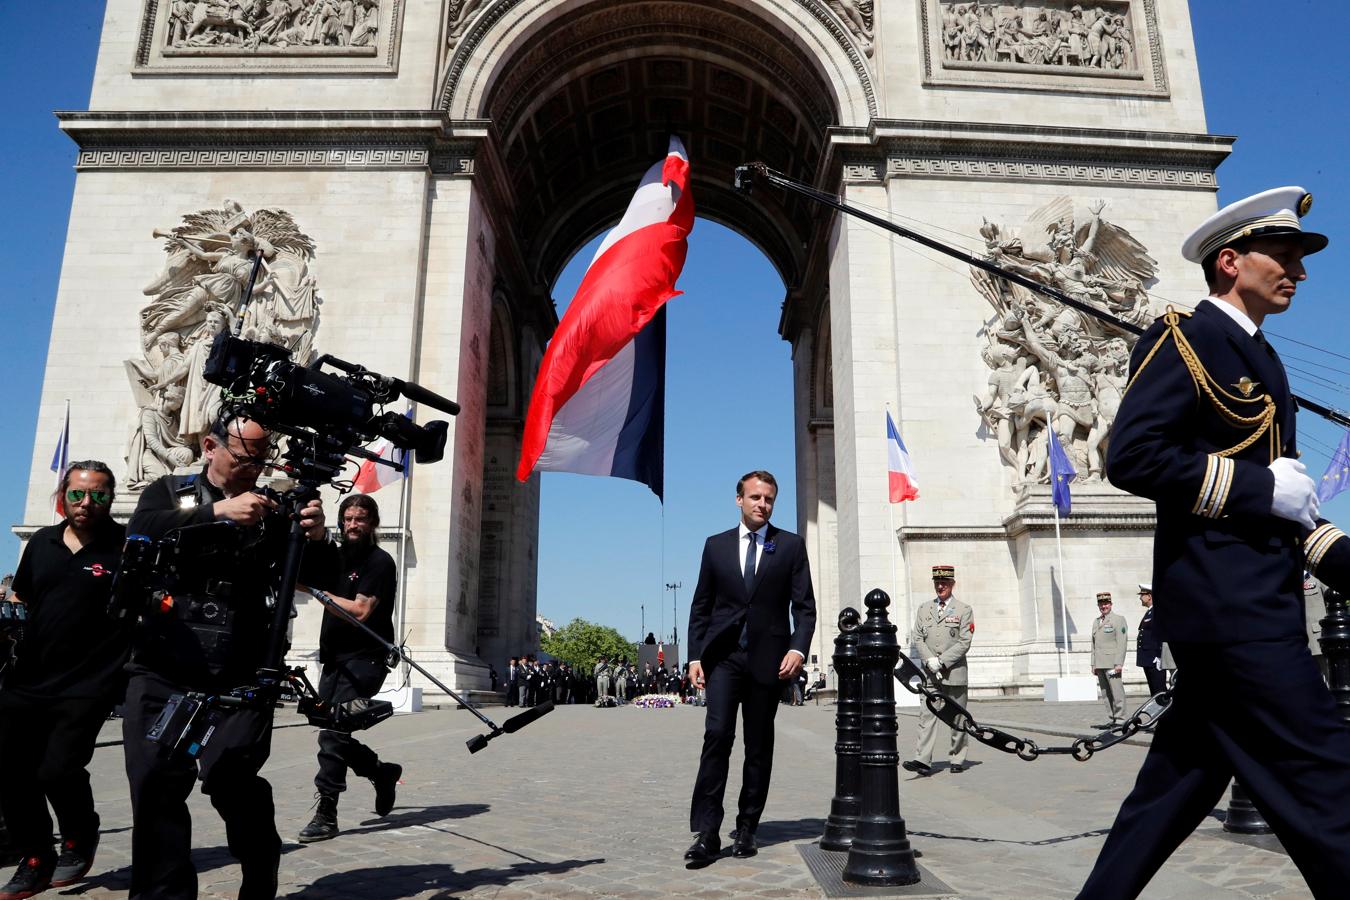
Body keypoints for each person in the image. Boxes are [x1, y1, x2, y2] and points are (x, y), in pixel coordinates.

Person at [1079, 187, 1350, 899]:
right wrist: (1262, 490)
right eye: (1283, 256)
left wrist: (1330, 549)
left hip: (1240, 606)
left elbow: (1284, 497)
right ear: (1230, 261)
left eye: (1299, 258)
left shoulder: (1257, 354)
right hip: (1235, 617)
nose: (1298, 271)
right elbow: (1132, 456)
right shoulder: (1187, 337)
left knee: (1171, 793)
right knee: (1330, 789)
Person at [122, 413, 338, 899]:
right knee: (155, 783)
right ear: (209, 447)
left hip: (241, 667)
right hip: (164, 660)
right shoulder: (169, 491)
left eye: (262, 460)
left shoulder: (276, 510)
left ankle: (260, 867)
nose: (253, 469)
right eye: (243, 457)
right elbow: (140, 531)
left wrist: (318, 536)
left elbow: (322, 576)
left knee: (231, 778)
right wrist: (215, 513)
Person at [0, 462, 131, 898]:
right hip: (29, 680)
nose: (86, 503)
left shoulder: (126, 547)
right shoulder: (41, 542)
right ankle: (35, 857)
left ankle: (80, 835)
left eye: (97, 494)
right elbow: (25, 599)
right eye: (77, 494)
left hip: (90, 682)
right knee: (13, 773)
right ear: (64, 495)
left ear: (111, 497)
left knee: (58, 769)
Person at [684, 470, 816, 864]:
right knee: (717, 737)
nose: (763, 504)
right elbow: (701, 606)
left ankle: (747, 827)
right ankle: (707, 832)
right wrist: (694, 656)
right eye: (756, 497)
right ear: (739, 499)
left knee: (758, 746)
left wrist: (798, 648)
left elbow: (804, 607)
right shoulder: (715, 546)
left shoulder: (790, 546)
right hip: (723, 659)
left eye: (769, 499)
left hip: (769, 662)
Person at [297, 493, 402, 843]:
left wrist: (315, 589)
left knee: (333, 733)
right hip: (334, 657)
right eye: (347, 518)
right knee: (328, 726)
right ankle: (380, 772)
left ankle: (327, 812)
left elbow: (360, 612)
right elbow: (298, 576)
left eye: (360, 519)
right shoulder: (335, 557)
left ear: (372, 523)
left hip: (366, 659)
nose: (353, 525)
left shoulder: (380, 562)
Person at [902, 565, 975, 776]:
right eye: (937, 583)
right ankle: (922, 760)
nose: (940, 586)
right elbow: (918, 637)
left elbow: (964, 642)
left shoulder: (964, 609)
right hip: (930, 673)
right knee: (927, 716)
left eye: (944, 583)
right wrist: (929, 660)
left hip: (954, 672)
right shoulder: (924, 609)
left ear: (952, 584)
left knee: (958, 718)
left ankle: (957, 758)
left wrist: (941, 661)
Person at [1090, 592, 1128, 728]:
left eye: (1106, 603)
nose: (1103, 606)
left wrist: (1119, 662)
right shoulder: (1096, 621)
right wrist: (1093, 663)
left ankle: (1121, 718)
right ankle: (1112, 718)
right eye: (1101, 604)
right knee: (1106, 693)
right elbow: (1093, 644)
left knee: (1117, 691)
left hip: (1112, 663)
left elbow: (1122, 642)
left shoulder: (1119, 620)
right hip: (1100, 663)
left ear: (1111, 604)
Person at [1134, 583, 1170, 697]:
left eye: (1142, 595)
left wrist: (1159, 656)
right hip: (1148, 659)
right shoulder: (1150, 611)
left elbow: (1162, 633)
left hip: (1154, 659)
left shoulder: (1157, 612)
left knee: (1159, 691)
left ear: (1149, 596)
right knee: (1154, 692)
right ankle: (1159, 714)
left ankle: (1166, 714)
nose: (1140, 597)